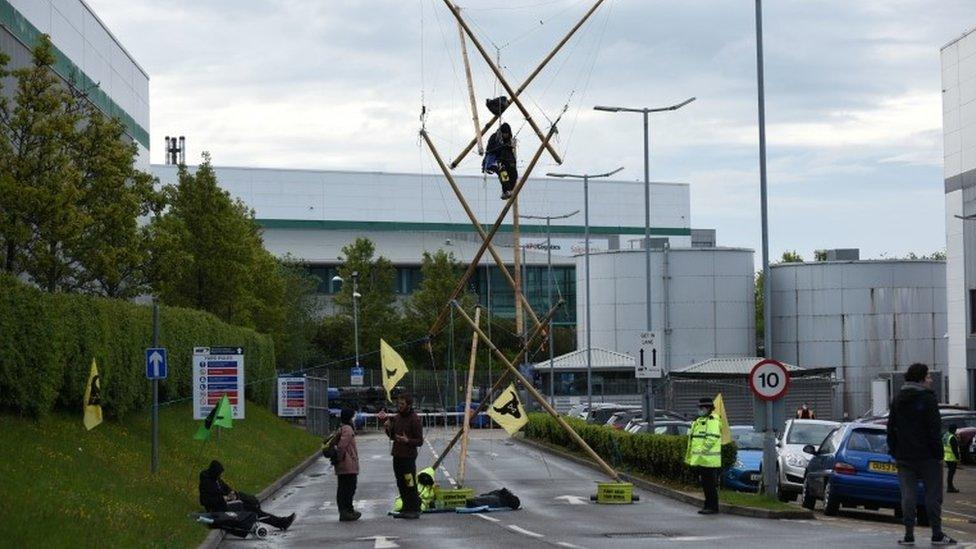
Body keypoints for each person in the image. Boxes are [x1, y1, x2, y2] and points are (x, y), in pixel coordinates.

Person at [887, 363, 957, 546]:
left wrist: (894, 450)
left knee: (907, 496)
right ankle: (937, 534)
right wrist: (939, 454)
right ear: (920, 379)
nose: (931, 380)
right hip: (928, 457)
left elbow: (890, 428)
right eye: (928, 377)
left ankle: (909, 535)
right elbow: (934, 430)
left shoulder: (898, 399)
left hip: (904, 456)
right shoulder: (928, 399)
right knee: (933, 496)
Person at [198, 460, 295, 531]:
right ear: (214, 472)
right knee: (254, 512)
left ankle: (281, 522)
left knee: (253, 508)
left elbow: (226, 488)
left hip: (228, 505)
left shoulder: (216, 479)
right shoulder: (206, 483)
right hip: (220, 510)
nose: (220, 476)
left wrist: (231, 493)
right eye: (219, 474)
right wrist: (223, 498)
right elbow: (204, 501)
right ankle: (281, 522)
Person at [378, 393, 424, 519]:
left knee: (409, 483)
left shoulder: (414, 419)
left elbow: (420, 441)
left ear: (409, 405)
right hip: (397, 455)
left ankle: (414, 508)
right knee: (400, 482)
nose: (399, 406)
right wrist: (388, 429)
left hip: (408, 457)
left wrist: (407, 441)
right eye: (398, 404)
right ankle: (406, 506)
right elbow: (394, 437)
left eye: (402, 404)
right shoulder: (397, 418)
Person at [685, 397, 722, 515]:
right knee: (706, 485)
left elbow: (712, 437)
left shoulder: (712, 421)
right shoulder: (699, 421)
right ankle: (708, 505)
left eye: (702, 408)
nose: (700, 410)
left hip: (709, 459)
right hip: (703, 459)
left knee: (710, 485)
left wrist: (703, 450)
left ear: (709, 408)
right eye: (699, 408)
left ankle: (712, 507)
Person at [334, 408, 362, 521]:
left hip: (345, 464)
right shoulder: (348, 430)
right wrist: (339, 458)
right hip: (347, 465)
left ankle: (348, 510)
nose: (355, 419)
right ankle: (346, 511)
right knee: (348, 488)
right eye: (353, 416)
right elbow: (341, 446)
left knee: (345, 488)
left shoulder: (342, 428)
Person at [482, 123, 518, 200]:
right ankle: (506, 190)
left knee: (514, 174)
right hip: (492, 160)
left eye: (507, 134)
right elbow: (491, 149)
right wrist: (503, 146)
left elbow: (509, 154)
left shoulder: (508, 140)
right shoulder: (494, 137)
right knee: (503, 171)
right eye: (504, 133)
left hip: (504, 160)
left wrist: (510, 146)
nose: (506, 135)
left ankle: (508, 190)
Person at [944, 424, 961, 494]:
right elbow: (954, 449)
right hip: (952, 458)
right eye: (955, 429)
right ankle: (950, 487)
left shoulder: (946, 435)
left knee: (950, 472)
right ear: (953, 429)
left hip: (946, 457)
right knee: (951, 473)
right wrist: (958, 458)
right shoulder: (952, 437)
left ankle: (950, 487)